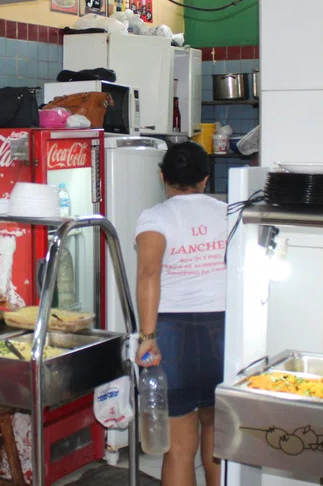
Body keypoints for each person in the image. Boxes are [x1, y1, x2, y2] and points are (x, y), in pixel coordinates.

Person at [134, 142, 227, 486]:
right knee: (220, 440)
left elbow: (148, 274)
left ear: (163, 176)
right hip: (225, 331)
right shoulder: (229, 212)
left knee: (178, 450)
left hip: (173, 335)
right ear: (206, 177)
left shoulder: (155, 217)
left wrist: (147, 337)